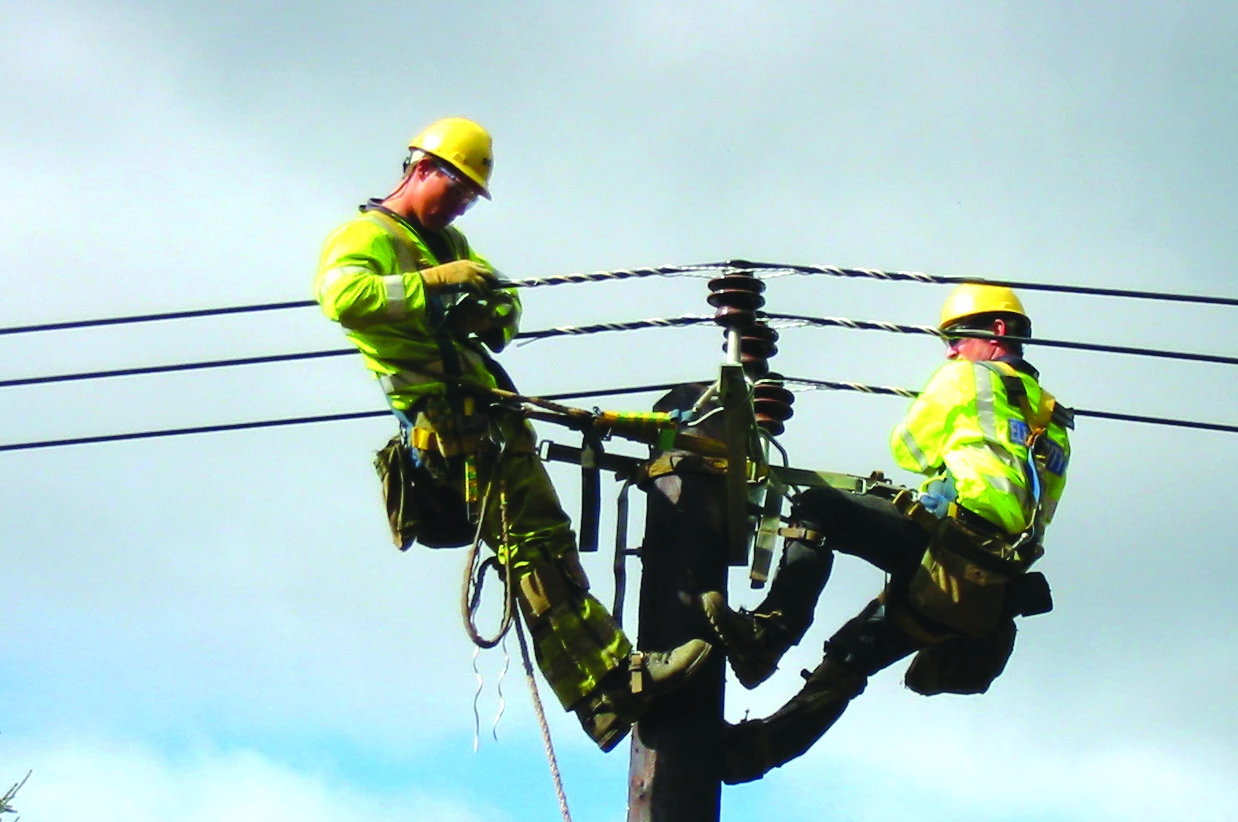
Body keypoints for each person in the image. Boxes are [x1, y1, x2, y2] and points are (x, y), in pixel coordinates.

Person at [315, 118, 710, 750]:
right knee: (534, 548)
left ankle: (604, 695)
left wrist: (488, 311)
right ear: (423, 169)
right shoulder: (365, 235)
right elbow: (343, 298)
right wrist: (432, 285)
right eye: (458, 190)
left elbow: (505, 300)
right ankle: (611, 680)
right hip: (447, 426)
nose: (462, 206)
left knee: (544, 547)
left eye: (471, 197)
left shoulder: (449, 242)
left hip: (488, 419)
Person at [703, 282, 1073, 782]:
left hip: (950, 541)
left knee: (818, 507)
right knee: (850, 658)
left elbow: (910, 448)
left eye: (956, 339)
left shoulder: (965, 377)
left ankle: (768, 636)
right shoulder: (1054, 419)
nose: (950, 351)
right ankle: (752, 755)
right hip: (985, 582)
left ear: (997, 331)